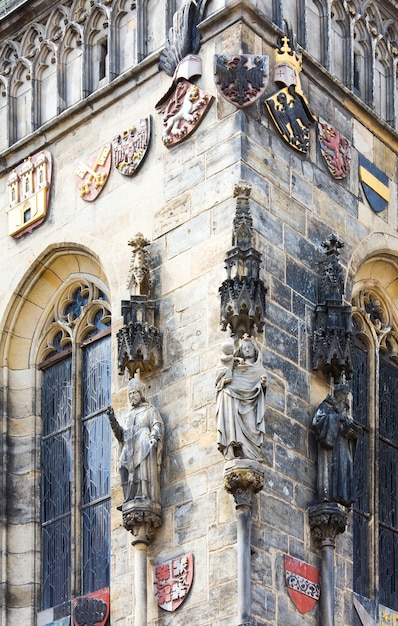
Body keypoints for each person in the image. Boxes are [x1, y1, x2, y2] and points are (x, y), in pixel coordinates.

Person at [107, 378, 163, 505]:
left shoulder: (149, 409)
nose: (132, 396)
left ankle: (144, 494)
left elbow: (157, 424)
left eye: (134, 393)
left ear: (140, 394)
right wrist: (112, 420)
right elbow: (121, 435)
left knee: (143, 439)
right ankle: (129, 498)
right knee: (122, 466)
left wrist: (153, 437)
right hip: (129, 447)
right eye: (130, 394)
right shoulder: (128, 415)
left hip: (143, 444)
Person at [216, 337, 267, 460]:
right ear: (241, 351)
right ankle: (230, 451)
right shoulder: (235, 365)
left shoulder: (259, 370)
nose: (247, 350)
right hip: (231, 397)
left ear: (255, 350)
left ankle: (250, 453)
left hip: (250, 402)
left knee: (251, 425)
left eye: (249, 347)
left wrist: (263, 385)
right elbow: (221, 375)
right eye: (244, 348)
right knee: (230, 423)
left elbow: (261, 386)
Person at [312, 384, 358, 506]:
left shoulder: (344, 411)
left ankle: (343, 497)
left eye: (345, 398)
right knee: (330, 471)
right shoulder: (326, 406)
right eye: (343, 397)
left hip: (343, 446)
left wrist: (351, 432)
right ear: (337, 395)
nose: (344, 400)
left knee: (344, 466)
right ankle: (328, 496)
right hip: (331, 449)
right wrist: (337, 419)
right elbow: (317, 421)